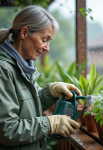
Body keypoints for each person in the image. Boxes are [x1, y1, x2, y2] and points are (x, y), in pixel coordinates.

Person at [0, 5, 82, 150]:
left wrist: (51, 91)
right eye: (44, 39)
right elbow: (7, 130)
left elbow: (29, 106)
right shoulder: (3, 70)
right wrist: (50, 124)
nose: (47, 48)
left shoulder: (24, 66)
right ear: (24, 33)